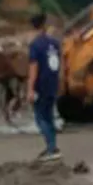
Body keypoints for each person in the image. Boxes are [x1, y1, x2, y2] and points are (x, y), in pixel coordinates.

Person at [25, 13, 63, 163]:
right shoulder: (54, 43)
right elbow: (60, 65)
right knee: (50, 116)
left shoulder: (35, 45)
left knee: (40, 118)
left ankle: (52, 148)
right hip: (52, 84)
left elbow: (33, 69)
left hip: (40, 86)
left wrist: (30, 89)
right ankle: (52, 147)